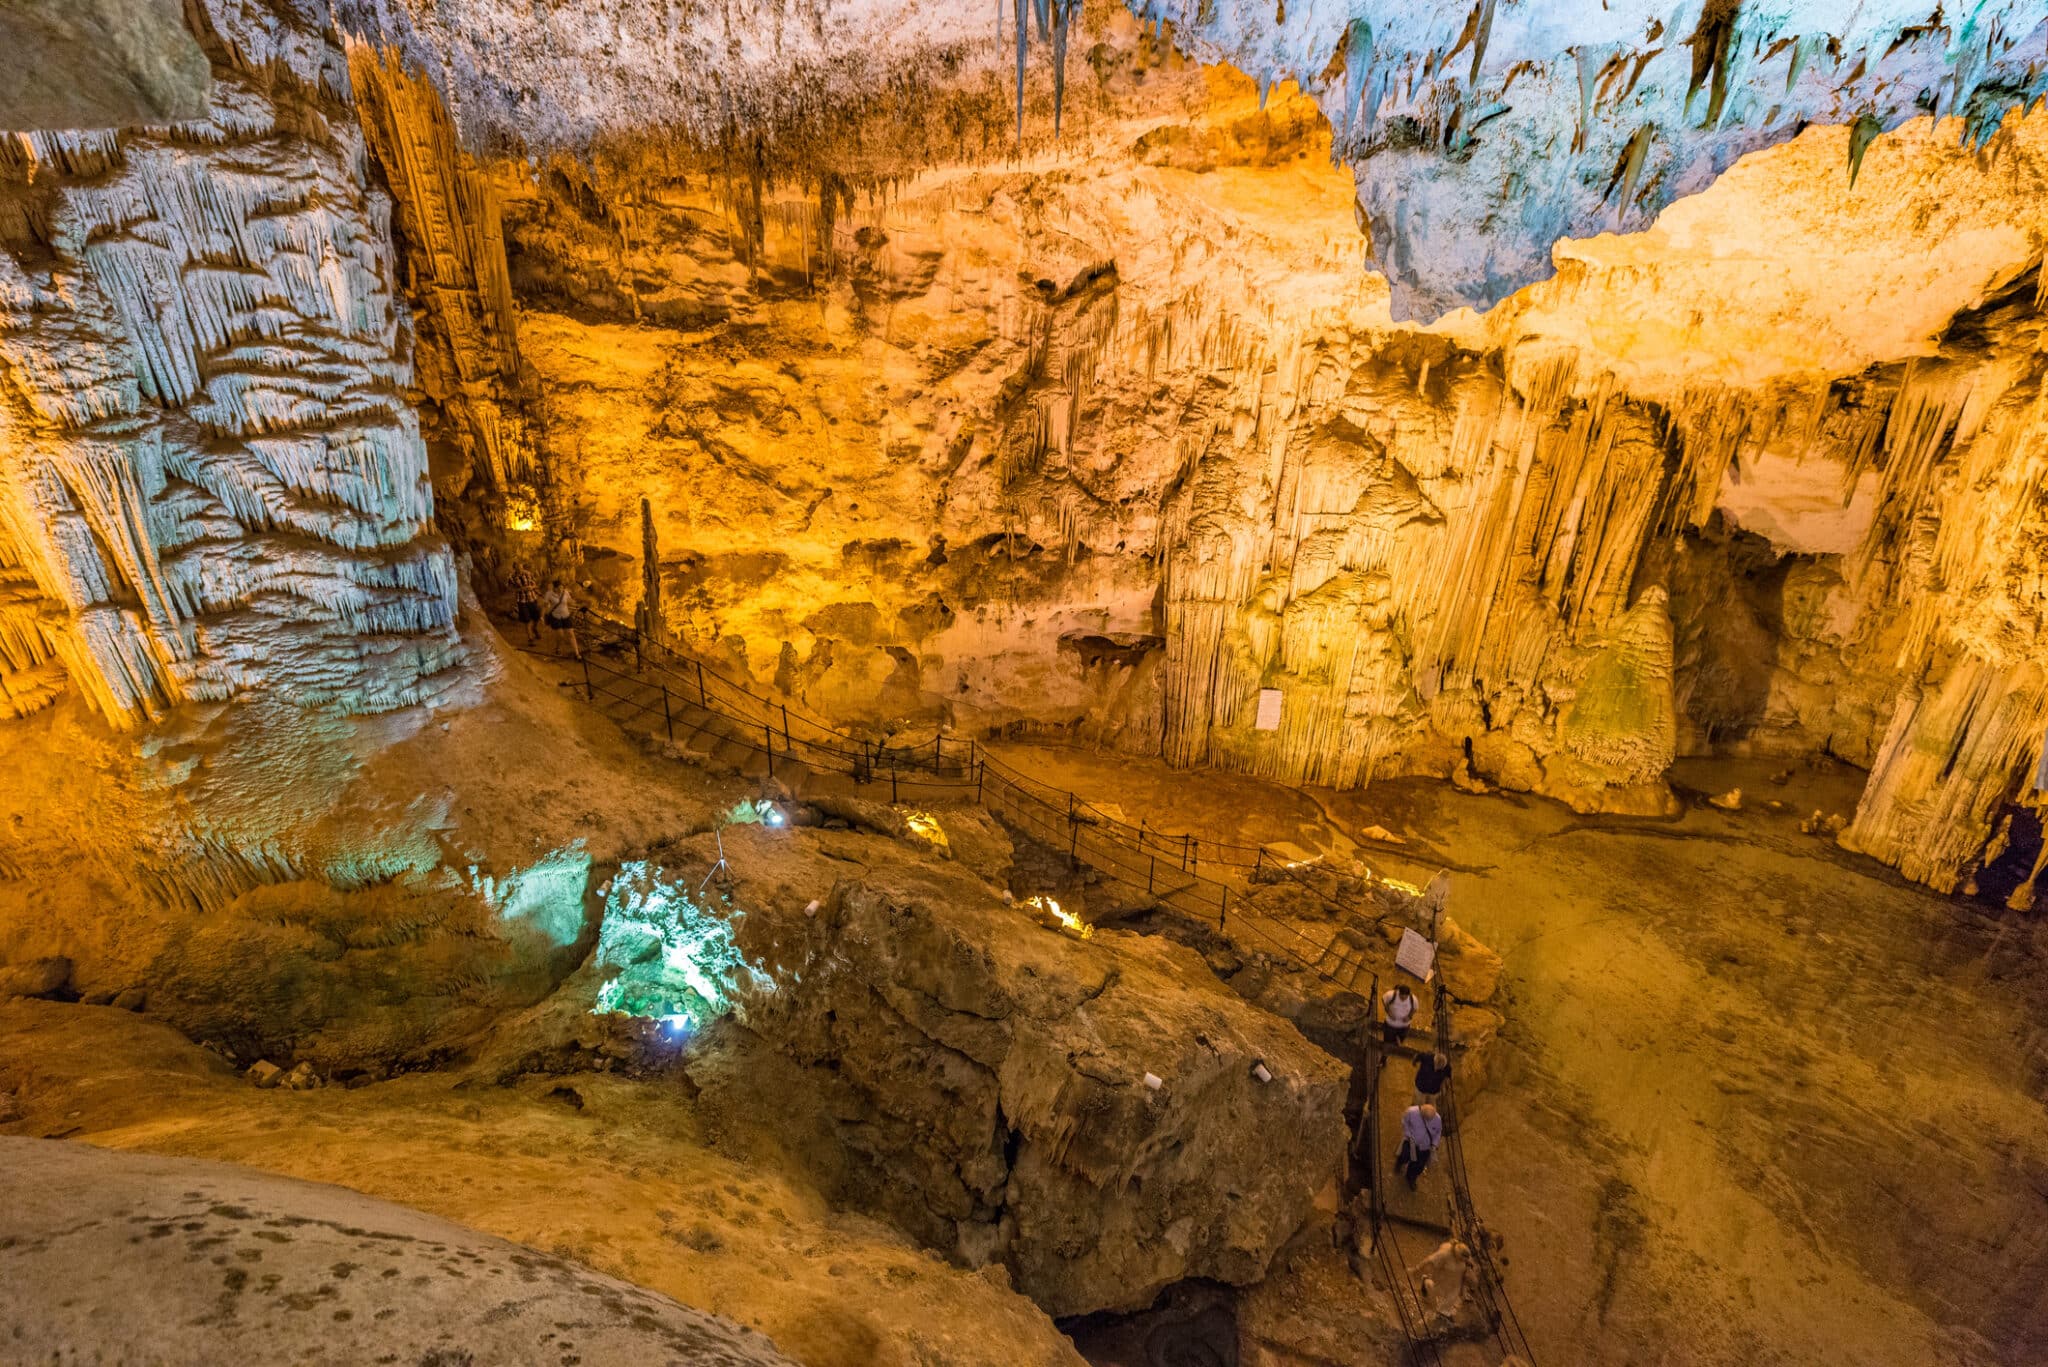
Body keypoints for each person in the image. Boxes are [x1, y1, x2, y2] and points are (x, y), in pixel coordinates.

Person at [1398, 1102, 1441, 1189]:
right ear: (1422, 1114)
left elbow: (1438, 1132)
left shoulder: (1437, 1118)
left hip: (1424, 1148)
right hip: (1412, 1143)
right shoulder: (1411, 1112)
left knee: (1419, 1165)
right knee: (1405, 1156)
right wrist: (1408, 1134)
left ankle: (1411, 1178)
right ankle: (1401, 1162)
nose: (1430, 1121)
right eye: (1427, 1119)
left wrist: (1434, 1144)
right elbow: (1404, 1121)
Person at [543, 578, 581, 660]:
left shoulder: (565, 592)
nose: (561, 589)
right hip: (555, 616)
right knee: (560, 635)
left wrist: (577, 604)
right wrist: (544, 616)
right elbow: (545, 605)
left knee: (571, 634)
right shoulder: (549, 594)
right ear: (555, 588)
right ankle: (558, 648)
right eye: (559, 588)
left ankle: (577, 654)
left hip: (566, 615)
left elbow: (570, 601)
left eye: (562, 587)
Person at [510, 562, 541, 645]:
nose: (520, 569)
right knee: (527, 620)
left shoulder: (528, 573)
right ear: (515, 568)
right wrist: (523, 589)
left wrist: (532, 587)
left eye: (521, 567)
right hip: (522, 600)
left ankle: (534, 628)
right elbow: (512, 589)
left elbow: (535, 584)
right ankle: (530, 639)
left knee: (537, 616)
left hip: (532, 598)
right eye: (518, 567)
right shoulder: (512, 577)